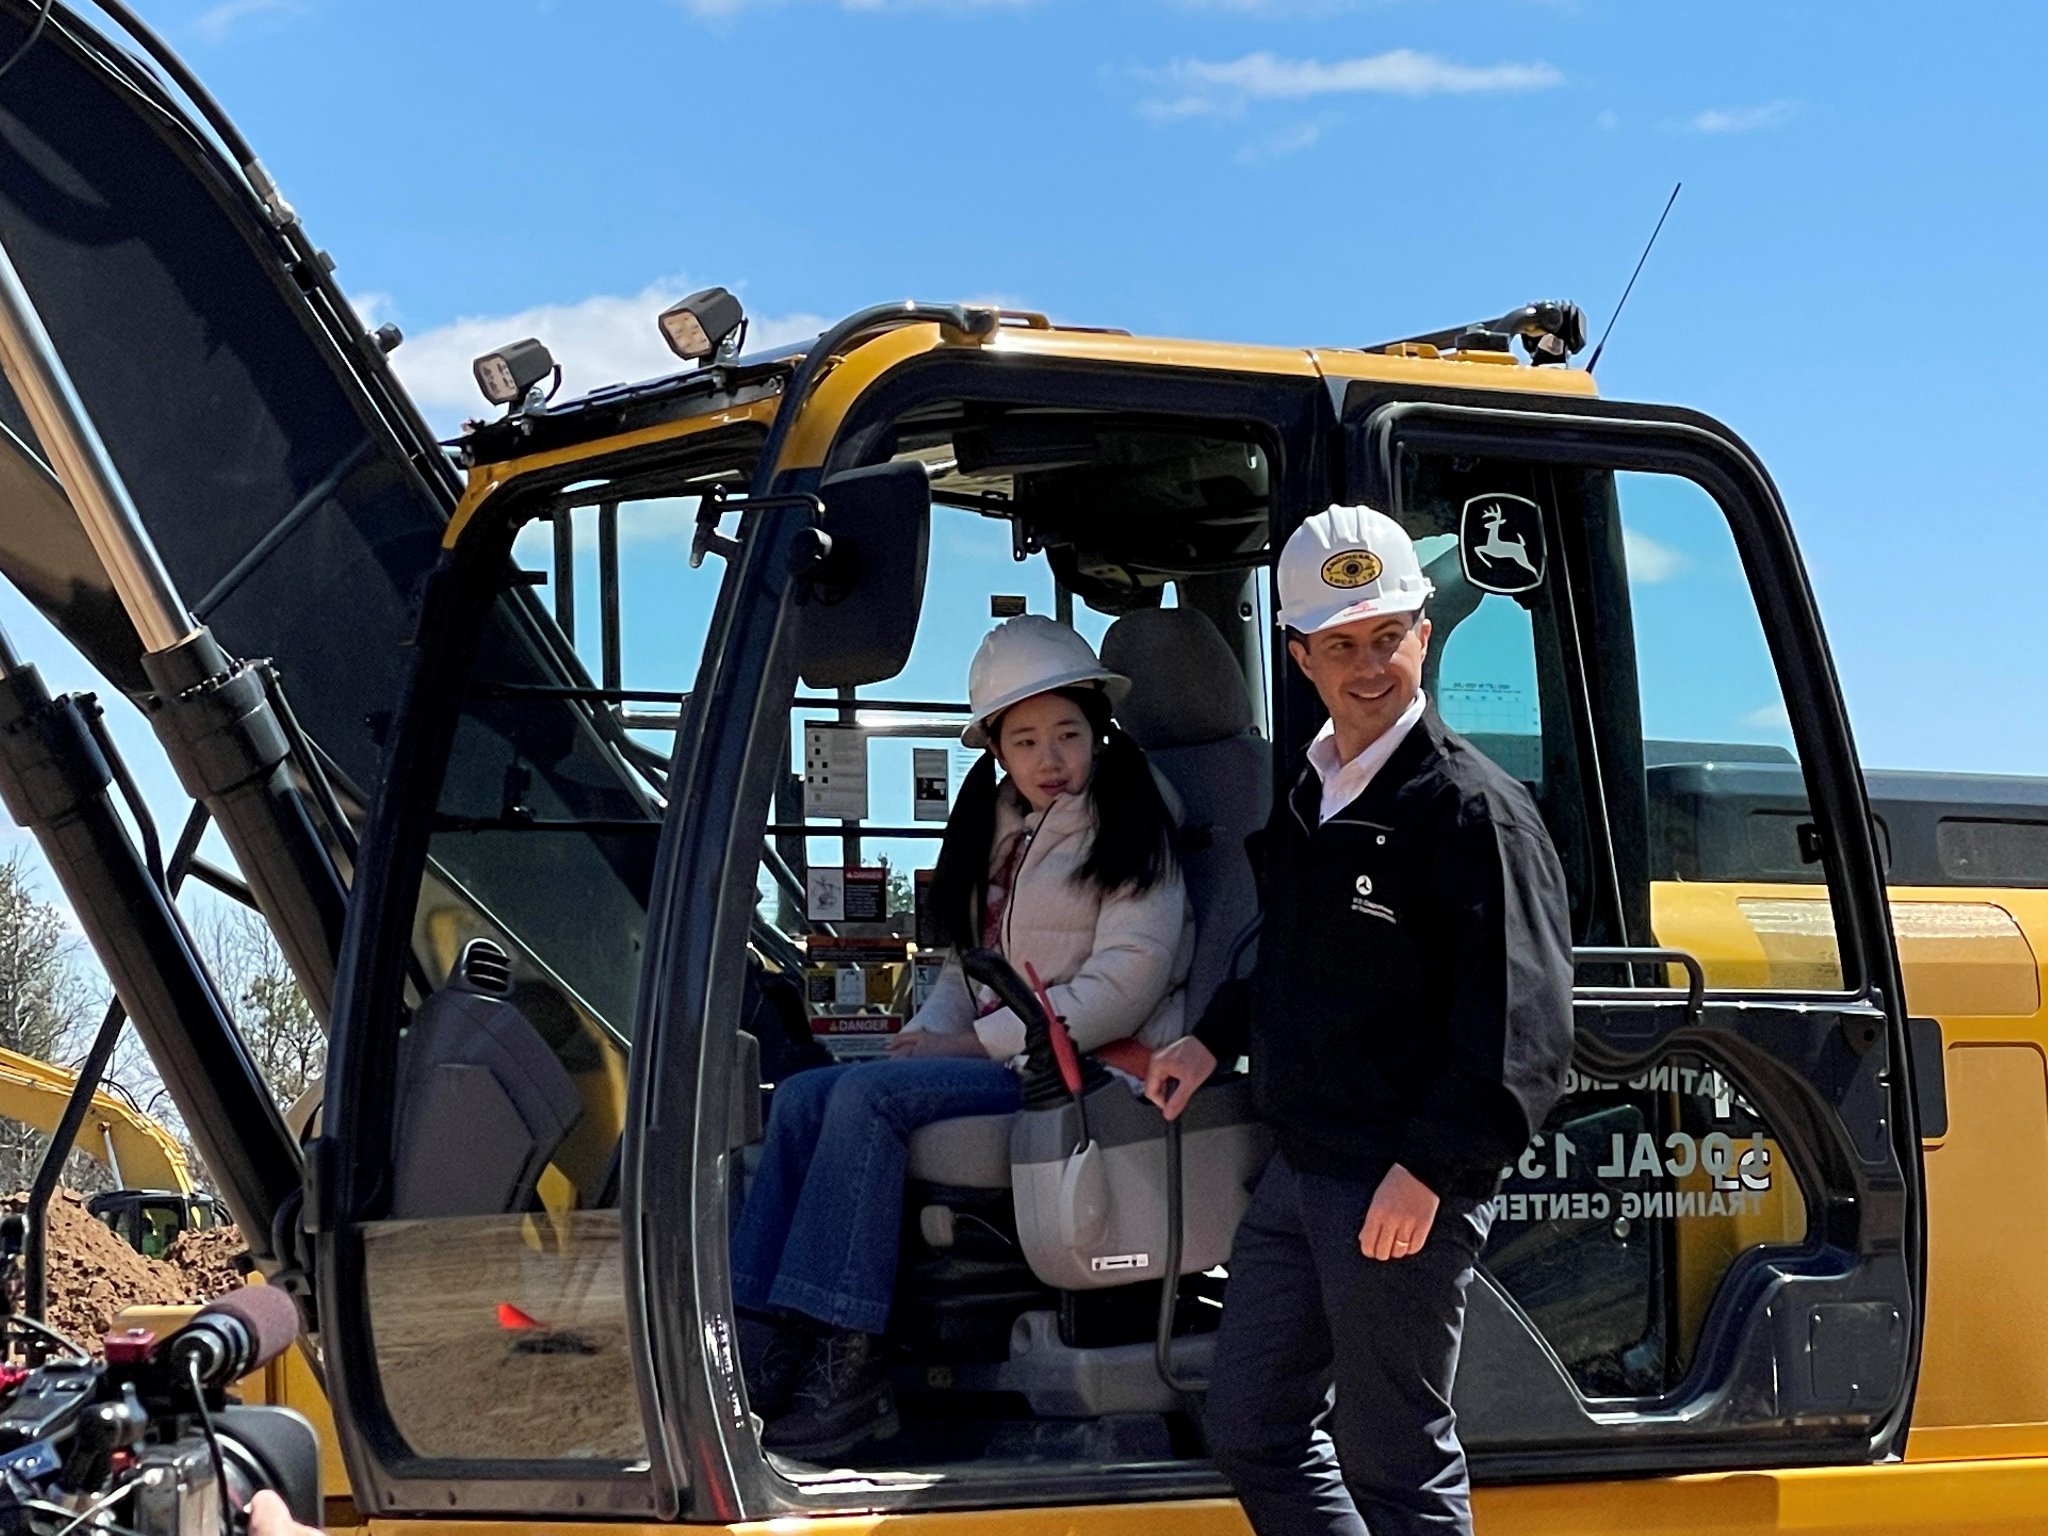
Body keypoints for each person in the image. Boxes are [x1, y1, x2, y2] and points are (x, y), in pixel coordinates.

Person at [1144, 504, 1574, 1536]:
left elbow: (1523, 1034)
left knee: (1396, 1464)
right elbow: (1290, 962)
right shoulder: (1313, 794)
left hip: (1397, 1184)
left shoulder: (1470, 812)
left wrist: (1427, 1171)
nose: (1368, 665)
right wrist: (1211, 1037)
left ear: (1423, 634)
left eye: (1387, 637)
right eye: (1340, 644)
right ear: (1299, 657)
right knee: (1251, 1425)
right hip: (1303, 1173)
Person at [734, 614, 1193, 1462]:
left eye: (1068, 734)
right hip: (1022, 1054)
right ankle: (761, 1339)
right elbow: (963, 971)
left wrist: (973, 1048)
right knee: (805, 1093)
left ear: (1099, 730)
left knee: (871, 1102)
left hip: (1089, 1069)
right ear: (997, 751)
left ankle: (849, 1369)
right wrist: (924, 1038)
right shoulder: (1002, 830)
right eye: (1026, 741)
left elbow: (1124, 988)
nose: (1051, 758)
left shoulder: (1134, 823)